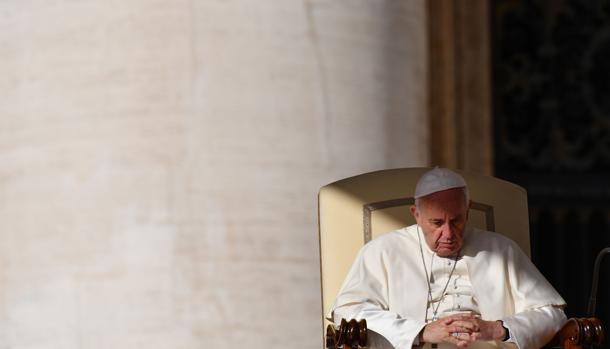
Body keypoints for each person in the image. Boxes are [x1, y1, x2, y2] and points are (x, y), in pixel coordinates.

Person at [329, 168, 566, 349]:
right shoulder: (382, 251)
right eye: (437, 223)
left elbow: (552, 314)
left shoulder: (500, 249)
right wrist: (420, 332)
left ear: (468, 210)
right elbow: (348, 312)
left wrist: (499, 329)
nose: (448, 234)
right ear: (417, 215)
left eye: (456, 220)